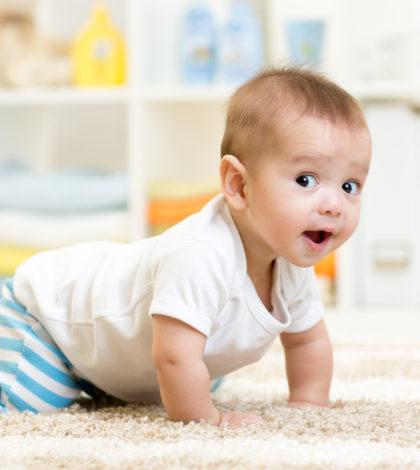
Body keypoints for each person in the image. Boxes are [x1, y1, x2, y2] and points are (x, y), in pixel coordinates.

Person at [0, 66, 372, 428]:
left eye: (350, 186)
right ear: (240, 186)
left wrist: (309, 402)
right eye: (306, 179)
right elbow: (173, 357)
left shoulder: (290, 261)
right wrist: (205, 419)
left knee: (200, 372)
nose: (334, 205)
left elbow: (307, 341)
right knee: (34, 399)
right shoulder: (200, 253)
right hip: (49, 322)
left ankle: (106, 381)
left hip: (119, 363)